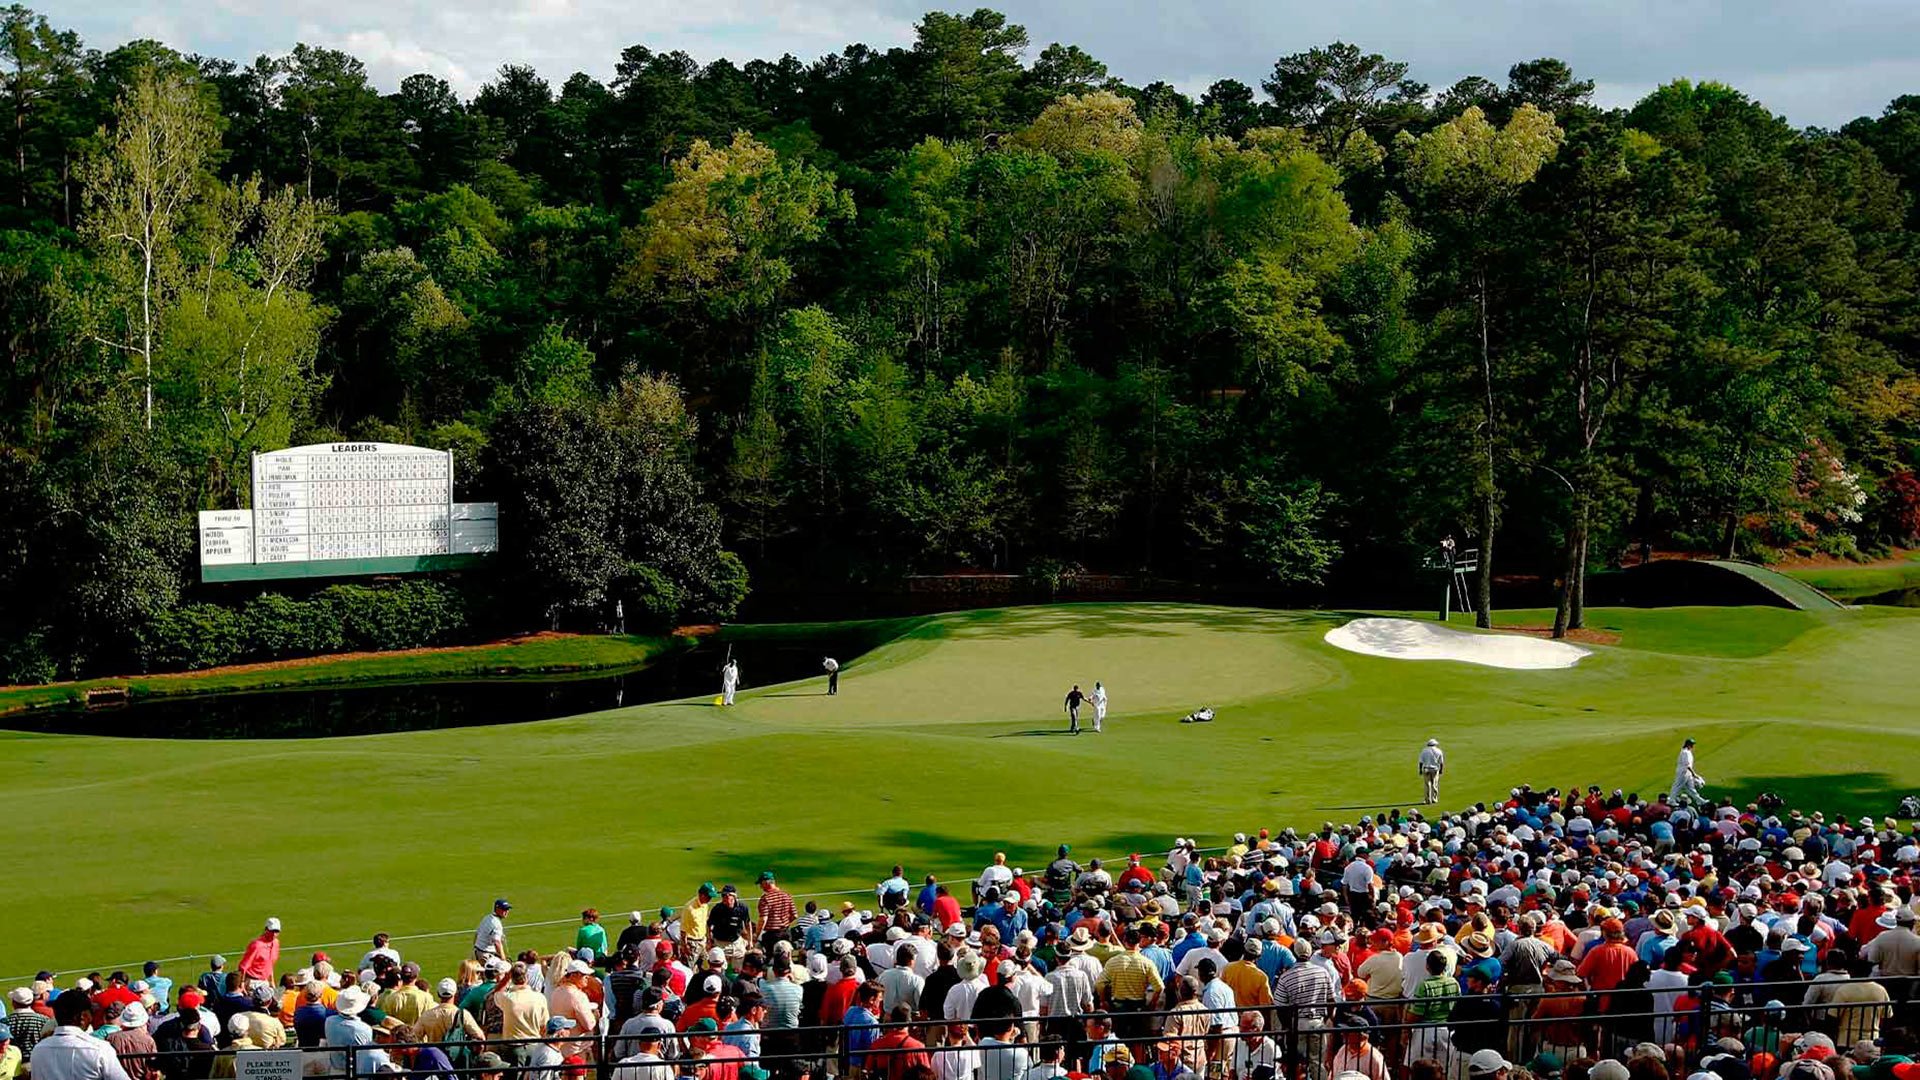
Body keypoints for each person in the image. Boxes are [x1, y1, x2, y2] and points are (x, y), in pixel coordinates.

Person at [238, 918, 281, 989]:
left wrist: (271, 982)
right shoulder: (256, 945)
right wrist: (242, 983)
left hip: (265, 982)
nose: (274, 934)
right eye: (272, 931)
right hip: (253, 983)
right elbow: (243, 966)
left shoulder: (276, 943)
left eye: (276, 931)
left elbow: (270, 964)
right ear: (266, 929)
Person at [1670, 738, 1704, 804]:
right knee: (1677, 786)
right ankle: (1671, 800)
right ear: (1688, 745)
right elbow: (1687, 765)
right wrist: (1694, 774)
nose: (1693, 746)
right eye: (1692, 745)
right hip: (1683, 772)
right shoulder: (1685, 752)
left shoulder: (1687, 752)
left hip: (1687, 773)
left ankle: (1700, 800)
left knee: (1691, 788)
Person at [1417, 739, 1445, 805]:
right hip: (1435, 769)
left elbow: (1421, 762)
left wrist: (1420, 770)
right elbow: (1441, 762)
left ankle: (1427, 800)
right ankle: (1434, 799)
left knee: (1427, 785)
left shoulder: (1424, 751)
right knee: (1434, 784)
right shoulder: (1439, 751)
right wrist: (1441, 770)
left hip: (1426, 769)